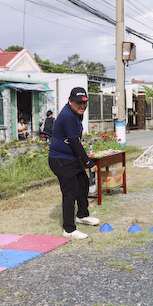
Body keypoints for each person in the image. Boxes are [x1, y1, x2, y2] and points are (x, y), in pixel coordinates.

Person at [48, 87, 100, 239]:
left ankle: (82, 215)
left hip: (71, 158)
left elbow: (75, 140)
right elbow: (74, 142)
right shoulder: (68, 116)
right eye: (78, 103)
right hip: (60, 159)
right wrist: (89, 162)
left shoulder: (77, 114)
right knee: (70, 192)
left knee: (83, 183)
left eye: (84, 103)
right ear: (70, 101)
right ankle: (69, 229)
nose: (82, 106)